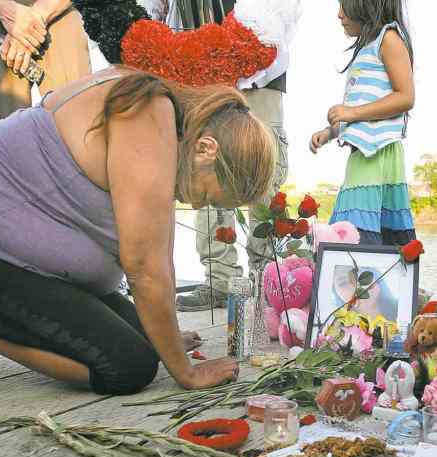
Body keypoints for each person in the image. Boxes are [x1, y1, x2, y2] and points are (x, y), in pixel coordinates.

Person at [0, 67, 276, 394]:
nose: (198, 205)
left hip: (1, 255)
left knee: (148, 338)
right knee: (127, 367)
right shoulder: (147, 112)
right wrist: (186, 371)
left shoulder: (161, 119)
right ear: (207, 149)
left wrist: (168, 339)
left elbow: (152, 261)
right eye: (209, 195)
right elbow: (145, 265)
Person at [172, 0, 296, 312]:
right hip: (201, 76)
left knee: (262, 177)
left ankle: (268, 279)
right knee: (208, 174)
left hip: (259, 75)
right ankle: (219, 281)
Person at [310, 0, 416, 247]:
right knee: (358, 229)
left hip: (378, 152)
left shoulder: (388, 39)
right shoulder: (366, 48)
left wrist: (352, 112)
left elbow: (406, 96)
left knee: (354, 231)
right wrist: (330, 132)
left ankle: (358, 281)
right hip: (364, 152)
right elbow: (359, 111)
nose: (339, 15)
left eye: (344, 6)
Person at [0, 0, 92, 126]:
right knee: (5, 130)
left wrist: (34, 18)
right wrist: (3, 8)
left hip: (59, 7)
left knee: (76, 117)